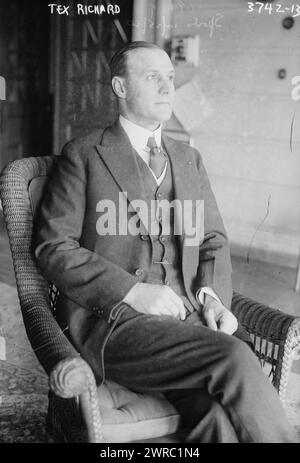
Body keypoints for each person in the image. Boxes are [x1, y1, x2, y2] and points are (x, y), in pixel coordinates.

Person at [34, 41, 297, 443]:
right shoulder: (84, 155)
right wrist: (132, 291)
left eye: (170, 78)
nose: (166, 87)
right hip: (117, 325)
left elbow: (212, 239)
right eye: (152, 77)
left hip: (188, 322)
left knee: (217, 420)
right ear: (120, 88)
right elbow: (53, 246)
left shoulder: (188, 158)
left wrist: (212, 298)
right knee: (233, 356)